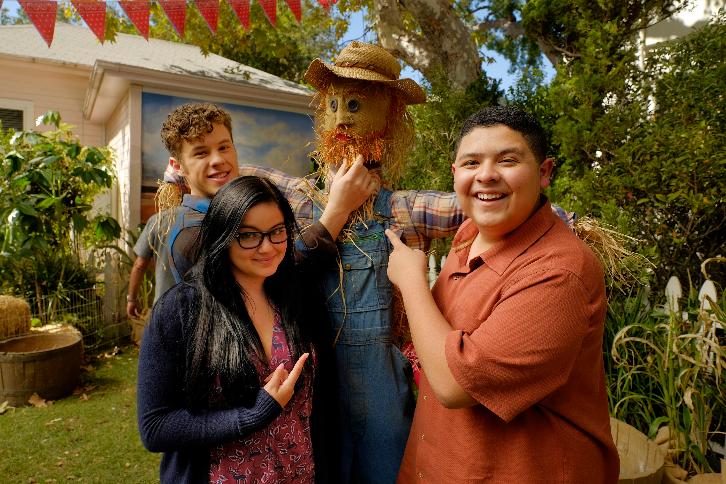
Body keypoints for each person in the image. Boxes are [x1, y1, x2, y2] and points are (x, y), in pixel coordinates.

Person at [385, 105, 620, 482]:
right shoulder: (468, 234)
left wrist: (412, 282)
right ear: (455, 174)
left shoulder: (559, 272)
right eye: (471, 162)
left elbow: (454, 385)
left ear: (544, 173)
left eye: (508, 160)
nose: (486, 175)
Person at [137, 176, 340, 483]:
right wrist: (254, 414)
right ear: (223, 236)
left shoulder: (301, 298)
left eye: (277, 231)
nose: (267, 247)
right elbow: (155, 427)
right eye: (249, 236)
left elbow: (319, 406)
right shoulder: (181, 309)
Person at [157, 102, 375, 286]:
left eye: (224, 148)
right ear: (178, 166)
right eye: (201, 153)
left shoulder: (242, 198)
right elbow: (276, 283)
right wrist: (338, 210)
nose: (218, 160)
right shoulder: (192, 233)